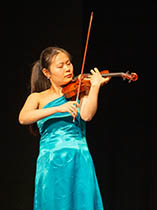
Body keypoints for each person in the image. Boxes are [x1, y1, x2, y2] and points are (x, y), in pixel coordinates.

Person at [19, 46, 109, 210]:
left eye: (69, 63)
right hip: (50, 161)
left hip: (78, 158)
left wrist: (95, 87)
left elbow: (87, 116)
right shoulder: (38, 97)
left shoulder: (81, 91)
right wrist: (57, 108)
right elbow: (23, 118)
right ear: (47, 73)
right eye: (60, 66)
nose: (67, 68)